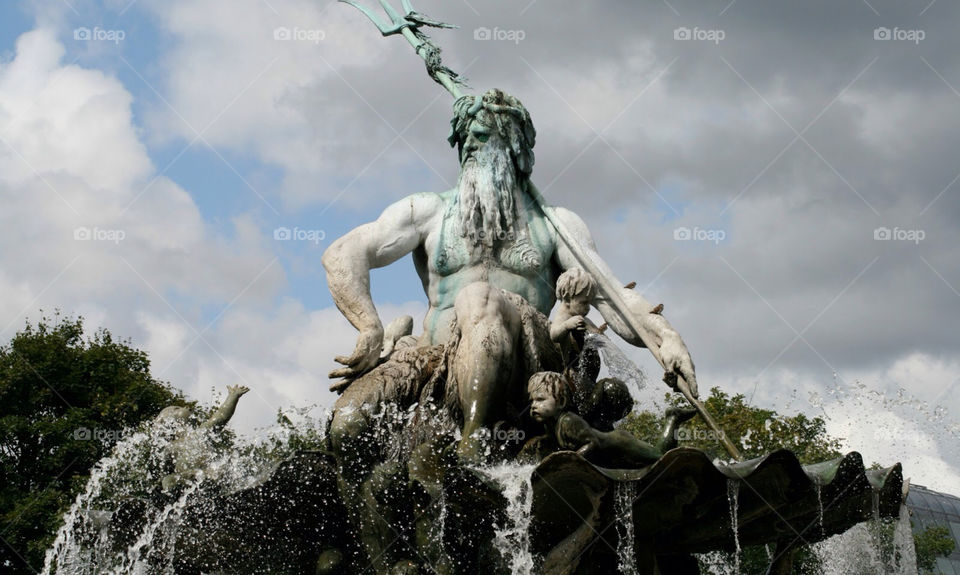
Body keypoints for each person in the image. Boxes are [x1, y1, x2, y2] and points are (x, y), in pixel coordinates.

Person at [323, 89, 698, 464]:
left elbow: (615, 300)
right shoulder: (428, 211)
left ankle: (472, 448)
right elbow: (344, 253)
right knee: (349, 426)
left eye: (481, 135)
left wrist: (667, 339)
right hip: (436, 357)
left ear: (514, 146)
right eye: (464, 135)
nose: (469, 143)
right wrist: (369, 328)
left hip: (529, 359)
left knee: (479, 298)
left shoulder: (557, 225)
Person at [524, 372, 695, 469]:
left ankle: (673, 418)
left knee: (660, 456)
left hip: (620, 444)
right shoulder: (550, 426)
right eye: (532, 401)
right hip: (611, 458)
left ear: (561, 402)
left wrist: (571, 461)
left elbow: (592, 443)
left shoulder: (568, 421)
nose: (533, 405)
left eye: (540, 400)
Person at [157, 384, 249, 493]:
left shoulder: (201, 432)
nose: (186, 407)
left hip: (207, 474)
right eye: (177, 409)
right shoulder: (171, 447)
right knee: (167, 480)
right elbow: (163, 469)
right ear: (172, 423)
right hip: (185, 478)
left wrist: (232, 397)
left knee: (220, 470)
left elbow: (221, 415)